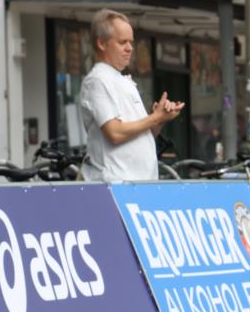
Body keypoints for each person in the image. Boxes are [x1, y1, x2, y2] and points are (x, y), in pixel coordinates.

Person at [79, 9, 184, 182]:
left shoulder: (123, 80)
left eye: (131, 42)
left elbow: (141, 135)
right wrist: (154, 118)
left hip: (140, 184)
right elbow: (115, 133)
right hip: (116, 184)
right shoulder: (98, 80)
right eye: (122, 42)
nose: (130, 48)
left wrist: (160, 118)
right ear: (102, 44)